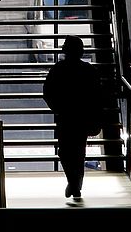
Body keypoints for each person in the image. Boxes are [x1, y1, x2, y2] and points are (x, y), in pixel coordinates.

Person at [43, 35, 104, 206]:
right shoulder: (89, 71)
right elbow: (98, 97)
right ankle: (76, 183)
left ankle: (73, 182)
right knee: (78, 152)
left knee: (65, 151)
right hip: (82, 118)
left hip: (65, 117)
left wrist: (58, 108)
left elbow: (47, 93)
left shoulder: (58, 69)